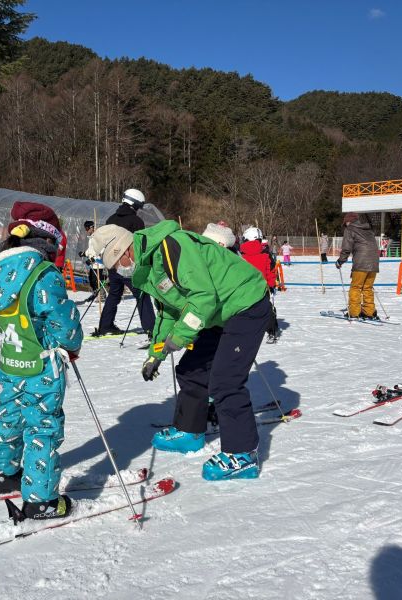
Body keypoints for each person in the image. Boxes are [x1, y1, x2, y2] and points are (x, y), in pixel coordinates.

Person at [91, 221, 270, 481]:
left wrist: (180, 336)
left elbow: (203, 297)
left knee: (225, 382)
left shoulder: (172, 247)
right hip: (217, 312)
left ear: (125, 251)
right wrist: (156, 353)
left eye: (117, 264)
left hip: (245, 304)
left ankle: (242, 455)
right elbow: (170, 312)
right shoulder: (149, 266)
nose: (119, 271)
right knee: (191, 369)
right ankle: (189, 432)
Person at [0, 225, 83, 521]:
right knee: (41, 427)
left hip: (12, 359)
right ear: (47, 245)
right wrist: (69, 345)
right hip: (41, 364)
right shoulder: (42, 275)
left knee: (9, 413)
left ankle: (2, 473)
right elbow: (63, 321)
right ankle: (41, 500)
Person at [95, 188, 155, 337]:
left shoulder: (111, 219)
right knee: (141, 293)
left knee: (114, 294)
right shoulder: (136, 221)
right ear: (134, 205)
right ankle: (152, 329)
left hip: (112, 264)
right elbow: (140, 246)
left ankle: (105, 326)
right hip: (128, 264)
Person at [335, 213, 379, 321]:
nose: (345, 226)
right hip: (374, 263)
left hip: (361, 263)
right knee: (367, 288)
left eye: (345, 224)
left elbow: (346, 248)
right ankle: (369, 311)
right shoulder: (367, 229)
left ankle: (354, 312)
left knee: (356, 287)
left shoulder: (350, 229)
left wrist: (340, 261)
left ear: (348, 222)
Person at [239, 227, 280, 344]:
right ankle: (271, 332)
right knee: (268, 310)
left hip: (244, 289)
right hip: (263, 288)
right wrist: (271, 286)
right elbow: (271, 271)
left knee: (244, 310)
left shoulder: (240, 255)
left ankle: (245, 330)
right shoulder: (266, 255)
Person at [79, 220, 103, 302]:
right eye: (85, 228)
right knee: (92, 279)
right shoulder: (91, 237)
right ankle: (95, 293)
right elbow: (91, 250)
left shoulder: (97, 237)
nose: (86, 230)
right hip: (93, 263)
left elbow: (101, 249)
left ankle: (101, 296)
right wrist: (84, 254)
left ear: (92, 227)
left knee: (98, 280)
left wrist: (93, 259)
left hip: (98, 263)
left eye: (87, 228)